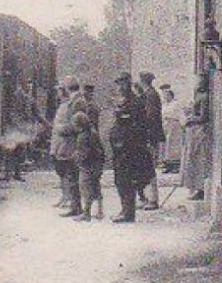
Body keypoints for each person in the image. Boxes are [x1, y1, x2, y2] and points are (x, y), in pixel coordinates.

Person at [108, 81, 153, 223]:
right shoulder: (129, 102)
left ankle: (127, 213)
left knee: (126, 181)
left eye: (121, 85)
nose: (119, 89)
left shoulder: (134, 104)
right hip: (123, 150)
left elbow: (134, 127)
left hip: (128, 151)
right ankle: (125, 210)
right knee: (121, 181)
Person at [71, 84, 105, 221]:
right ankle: (100, 211)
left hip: (88, 166)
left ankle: (86, 214)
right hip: (97, 164)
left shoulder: (82, 137)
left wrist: (76, 158)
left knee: (85, 188)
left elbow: (83, 154)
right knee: (96, 187)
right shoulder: (93, 132)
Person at [181, 72, 213, 201]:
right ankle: (195, 187)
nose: (196, 84)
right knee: (192, 158)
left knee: (199, 158)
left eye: (198, 81)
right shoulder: (198, 95)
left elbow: (203, 117)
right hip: (194, 130)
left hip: (199, 130)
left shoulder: (204, 97)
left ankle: (200, 189)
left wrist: (190, 119)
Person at [49, 82, 79, 210]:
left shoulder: (68, 106)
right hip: (58, 142)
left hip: (65, 143)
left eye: (59, 91)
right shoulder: (62, 105)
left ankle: (68, 197)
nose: (58, 93)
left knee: (66, 171)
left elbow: (69, 125)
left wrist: (59, 128)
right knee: (60, 171)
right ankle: (64, 196)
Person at [137, 71, 163, 209]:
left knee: (150, 167)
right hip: (148, 136)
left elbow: (151, 118)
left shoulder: (151, 95)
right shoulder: (149, 94)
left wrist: (147, 137)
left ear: (143, 81)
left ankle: (153, 200)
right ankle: (148, 198)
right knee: (146, 167)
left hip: (149, 136)